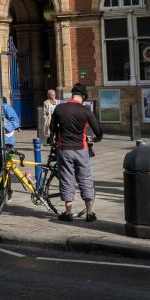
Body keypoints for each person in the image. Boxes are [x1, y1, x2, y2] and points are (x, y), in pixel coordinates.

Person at [50, 83, 103, 222]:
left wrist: (54, 136)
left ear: (72, 95)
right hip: (81, 149)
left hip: (64, 149)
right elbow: (98, 131)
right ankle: (89, 213)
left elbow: (52, 127)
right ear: (83, 97)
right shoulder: (85, 111)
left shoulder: (59, 108)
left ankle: (68, 213)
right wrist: (97, 138)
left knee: (67, 179)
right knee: (85, 179)